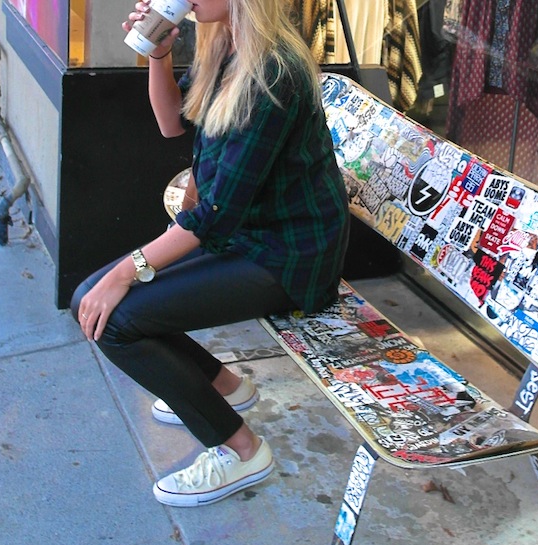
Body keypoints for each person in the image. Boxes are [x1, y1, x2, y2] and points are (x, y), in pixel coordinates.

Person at [70, 0, 349, 508]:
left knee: (114, 319)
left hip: (289, 256)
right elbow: (171, 124)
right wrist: (158, 54)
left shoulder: (274, 72)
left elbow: (216, 214)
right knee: (87, 298)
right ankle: (224, 386)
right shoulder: (225, 43)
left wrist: (128, 270)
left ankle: (240, 451)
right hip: (244, 234)